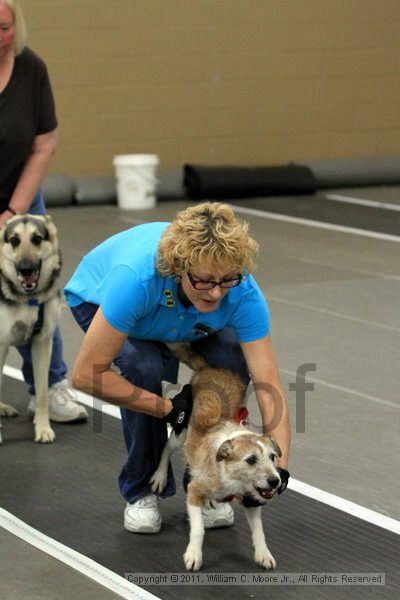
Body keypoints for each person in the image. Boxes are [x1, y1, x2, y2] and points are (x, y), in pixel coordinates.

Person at [65, 202, 291, 533]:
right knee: (142, 366)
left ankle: (206, 486)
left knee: (230, 360)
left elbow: (268, 383)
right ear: (179, 267)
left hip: (182, 316)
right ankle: (141, 488)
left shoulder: (240, 290)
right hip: (103, 299)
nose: (215, 292)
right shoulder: (136, 279)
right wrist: (169, 410)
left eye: (225, 279)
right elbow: (86, 376)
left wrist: (280, 470)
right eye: (203, 280)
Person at [0, 0, 87, 422]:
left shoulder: (30, 68)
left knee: (37, 290)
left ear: (17, 26)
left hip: (21, 195)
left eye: (4, 28)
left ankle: (50, 388)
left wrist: (14, 212)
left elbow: (44, 142)